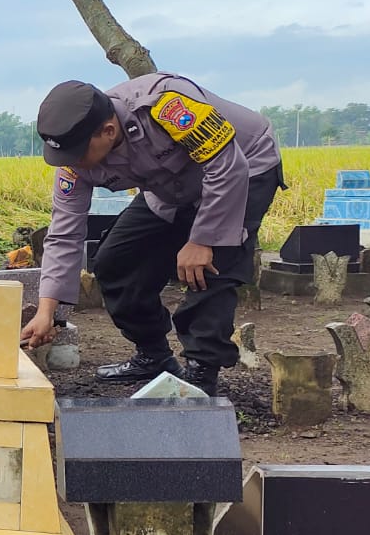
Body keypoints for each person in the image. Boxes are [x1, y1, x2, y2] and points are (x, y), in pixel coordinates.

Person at [20, 74, 284, 397]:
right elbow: (64, 233)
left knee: (211, 265)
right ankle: (154, 356)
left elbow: (227, 165)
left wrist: (202, 240)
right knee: (117, 262)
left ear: (108, 131)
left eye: (77, 153)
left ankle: (201, 375)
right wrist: (46, 311)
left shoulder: (167, 105)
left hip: (243, 166)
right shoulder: (75, 160)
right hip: (168, 187)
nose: (71, 163)